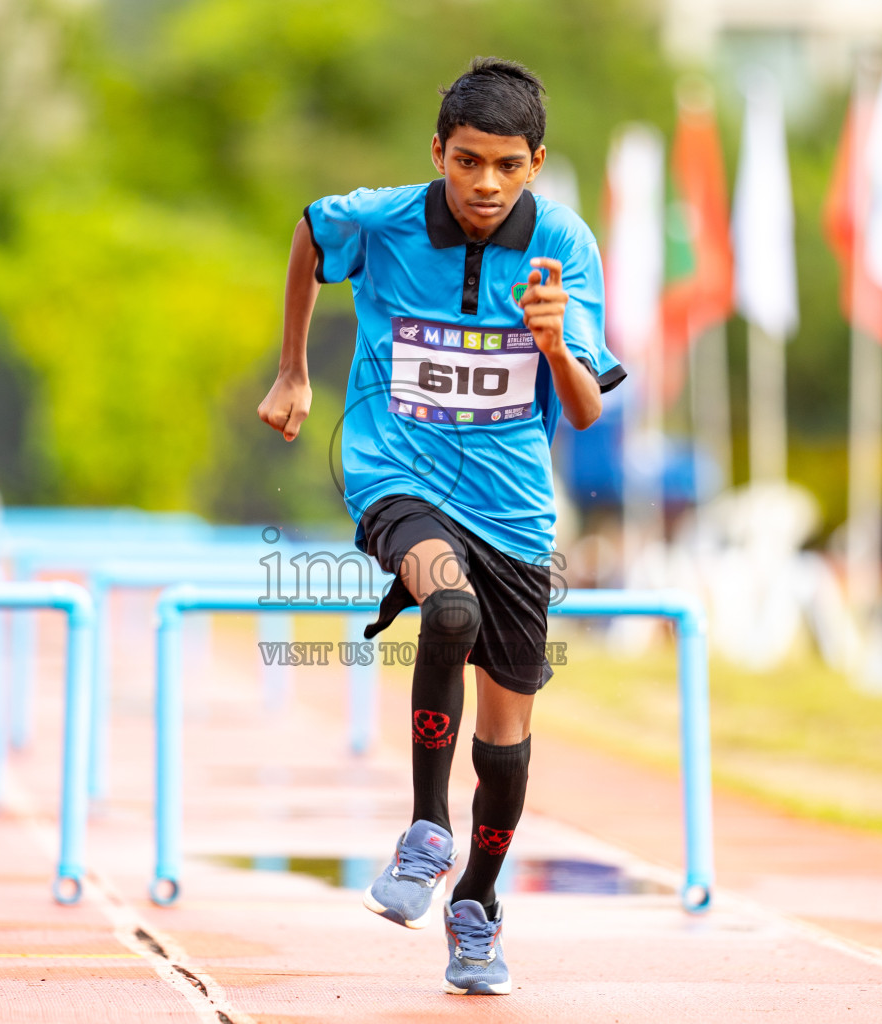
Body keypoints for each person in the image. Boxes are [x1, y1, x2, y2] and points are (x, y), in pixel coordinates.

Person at [258, 58, 623, 995]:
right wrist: (294, 367)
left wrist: (551, 344)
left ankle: (477, 905)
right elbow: (307, 231)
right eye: (467, 163)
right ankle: (425, 830)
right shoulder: (384, 217)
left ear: (535, 163)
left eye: (506, 166)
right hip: (395, 477)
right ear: (439, 154)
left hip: (513, 510)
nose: (484, 186)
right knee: (445, 611)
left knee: (505, 749)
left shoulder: (566, 249)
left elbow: (584, 413)